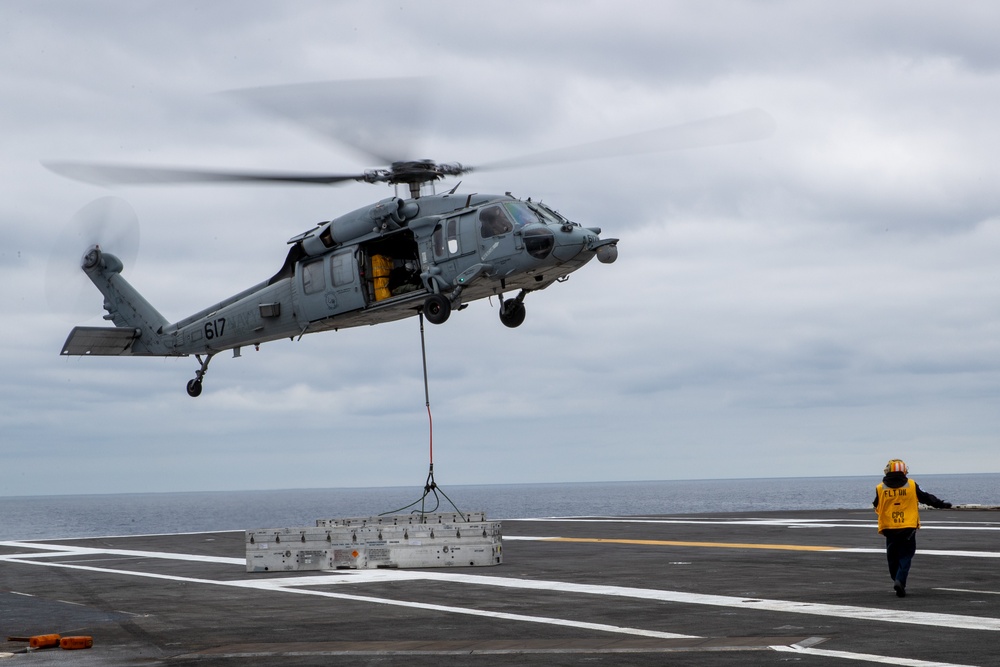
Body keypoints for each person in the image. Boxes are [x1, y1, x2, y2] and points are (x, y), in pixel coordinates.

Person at [873, 459, 952, 597]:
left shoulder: (880, 488)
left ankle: (896, 578)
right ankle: (900, 580)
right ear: (904, 471)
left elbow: (876, 504)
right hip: (907, 526)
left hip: (890, 527)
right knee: (905, 555)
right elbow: (926, 497)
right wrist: (942, 504)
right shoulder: (911, 485)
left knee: (892, 556)